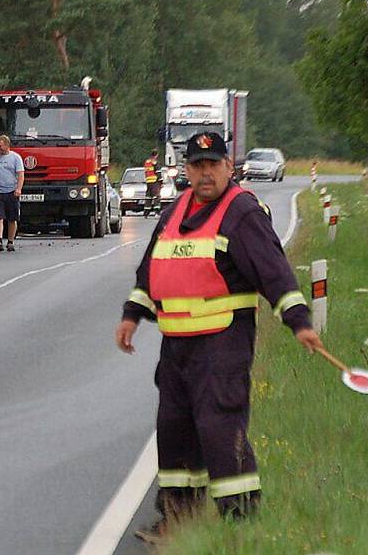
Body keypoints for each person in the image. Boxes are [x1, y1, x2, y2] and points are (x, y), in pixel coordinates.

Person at [114, 132, 324, 544]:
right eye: (197, 165)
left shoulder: (241, 212)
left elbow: (273, 271)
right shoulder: (174, 212)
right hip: (176, 349)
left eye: (213, 164)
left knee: (219, 427)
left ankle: (240, 522)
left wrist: (299, 320)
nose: (205, 173)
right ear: (187, 170)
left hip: (223, 344)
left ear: (229, 166)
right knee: (174, 431)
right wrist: (132, 315)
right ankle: (177, 521)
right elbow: (150, 272)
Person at [0, 135, 25, 252]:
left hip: (12, 192)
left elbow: (20, 175)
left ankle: (10, 241)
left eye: (1, 145)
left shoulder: (15, 158)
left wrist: (18, 189)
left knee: (12, 218)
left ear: (7, 145)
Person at [144, 148, 162, 217]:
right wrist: (161, 181)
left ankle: (146, 213)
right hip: (154, 182)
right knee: (156, 197)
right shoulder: (155, 162)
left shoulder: (147, 162)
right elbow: (158, 173)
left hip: (148, 182)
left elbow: (146, 172)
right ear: (156, 155)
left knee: (148, 198)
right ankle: (157, 213)